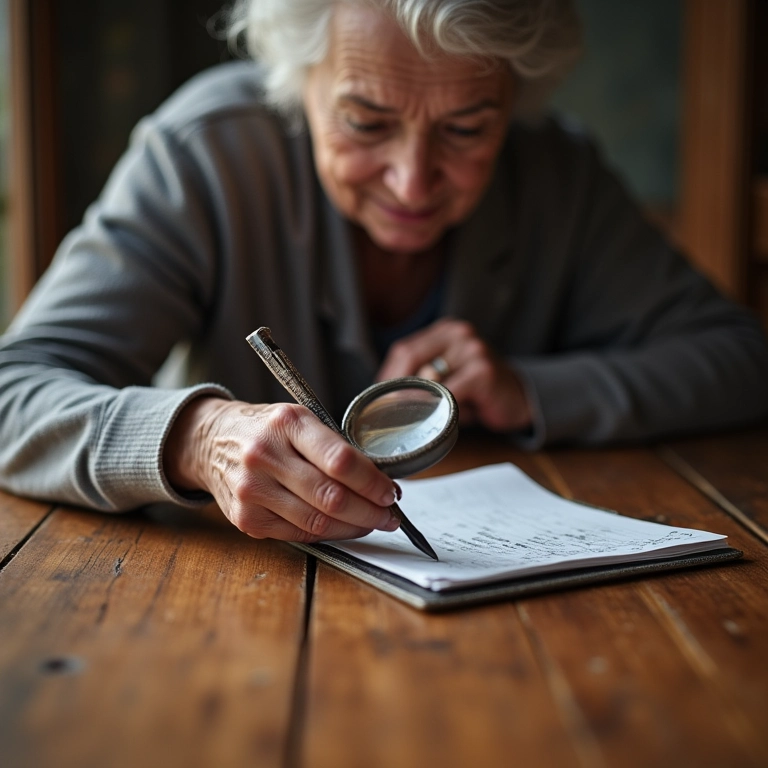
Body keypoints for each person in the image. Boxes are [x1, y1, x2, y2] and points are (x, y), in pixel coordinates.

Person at [1, 0, 767, 547]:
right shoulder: (205, 159)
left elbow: (741, 359)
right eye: (366, 122)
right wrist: (199, 440)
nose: (412, 182)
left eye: (467, 128)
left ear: (516, 100)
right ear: (295, 82)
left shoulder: (557, 177)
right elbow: (14, 392)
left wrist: (530, 389)